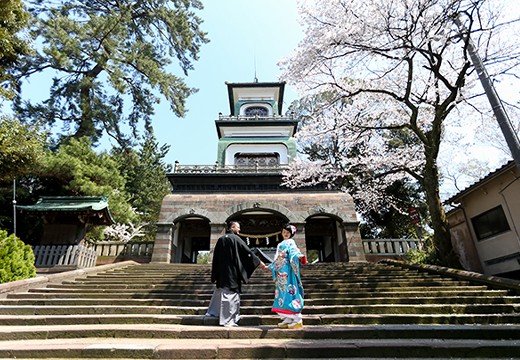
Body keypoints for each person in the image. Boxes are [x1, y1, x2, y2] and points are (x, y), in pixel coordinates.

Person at [205, 221, 268, 327]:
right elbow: (247, 252)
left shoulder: (221, 239)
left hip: (221, 272)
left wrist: (215, 273)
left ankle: (213, 313)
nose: (239, 230)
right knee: (230, 294)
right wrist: (260, 263)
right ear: (232, 228)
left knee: (220, 291)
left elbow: (216, 257)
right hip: (232, 272)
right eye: (238, 227)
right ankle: (228, 320)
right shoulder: (236, 239)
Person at [268, 224, 307, 329]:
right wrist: (273, 267)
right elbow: (277, 258)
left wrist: (299, 256)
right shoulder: (280, 243)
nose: (285, 234)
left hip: (287, 270)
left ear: (291, 234)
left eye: (288, 233)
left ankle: (297, 318)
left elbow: (294, 252)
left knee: (289, 292)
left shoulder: (291, 242)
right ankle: (288, 318)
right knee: (281, 293)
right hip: (280, 270)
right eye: (284, 232)